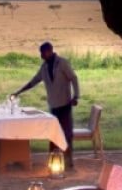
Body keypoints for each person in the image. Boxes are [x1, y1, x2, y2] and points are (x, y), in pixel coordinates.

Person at [14, 41, 81, 169]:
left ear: (50, 51)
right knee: (53, 135)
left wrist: (76, 96)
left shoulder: (62, 63)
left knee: (66, 134)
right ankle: (53, 161)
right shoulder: (44, 67)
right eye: (40, 53)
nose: (41, 56)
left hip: (65, 104)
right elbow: (34, 81)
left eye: (43, 53)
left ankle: (68, 161)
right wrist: (19, 92)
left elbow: (74, 78)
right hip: (53, 106)